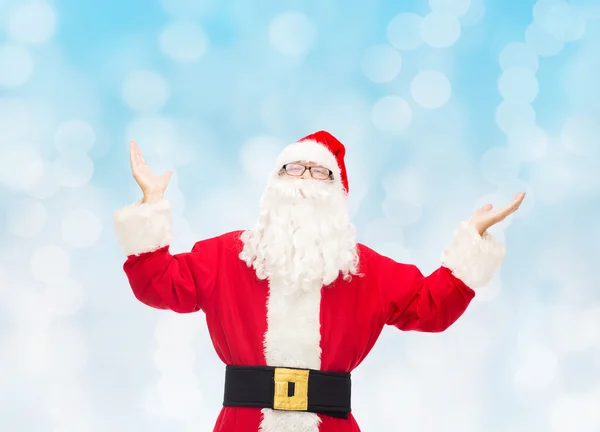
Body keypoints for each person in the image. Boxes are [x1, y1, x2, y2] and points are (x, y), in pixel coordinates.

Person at [113, 130, 525, 432]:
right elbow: (159, 283)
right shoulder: (225, 256)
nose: (305, 179)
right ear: (274, 185)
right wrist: (151, 205)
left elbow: (431, 306)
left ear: (338, 193)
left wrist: (473, 240)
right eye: (294, 168)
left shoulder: (365, 270)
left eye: (319, 172)